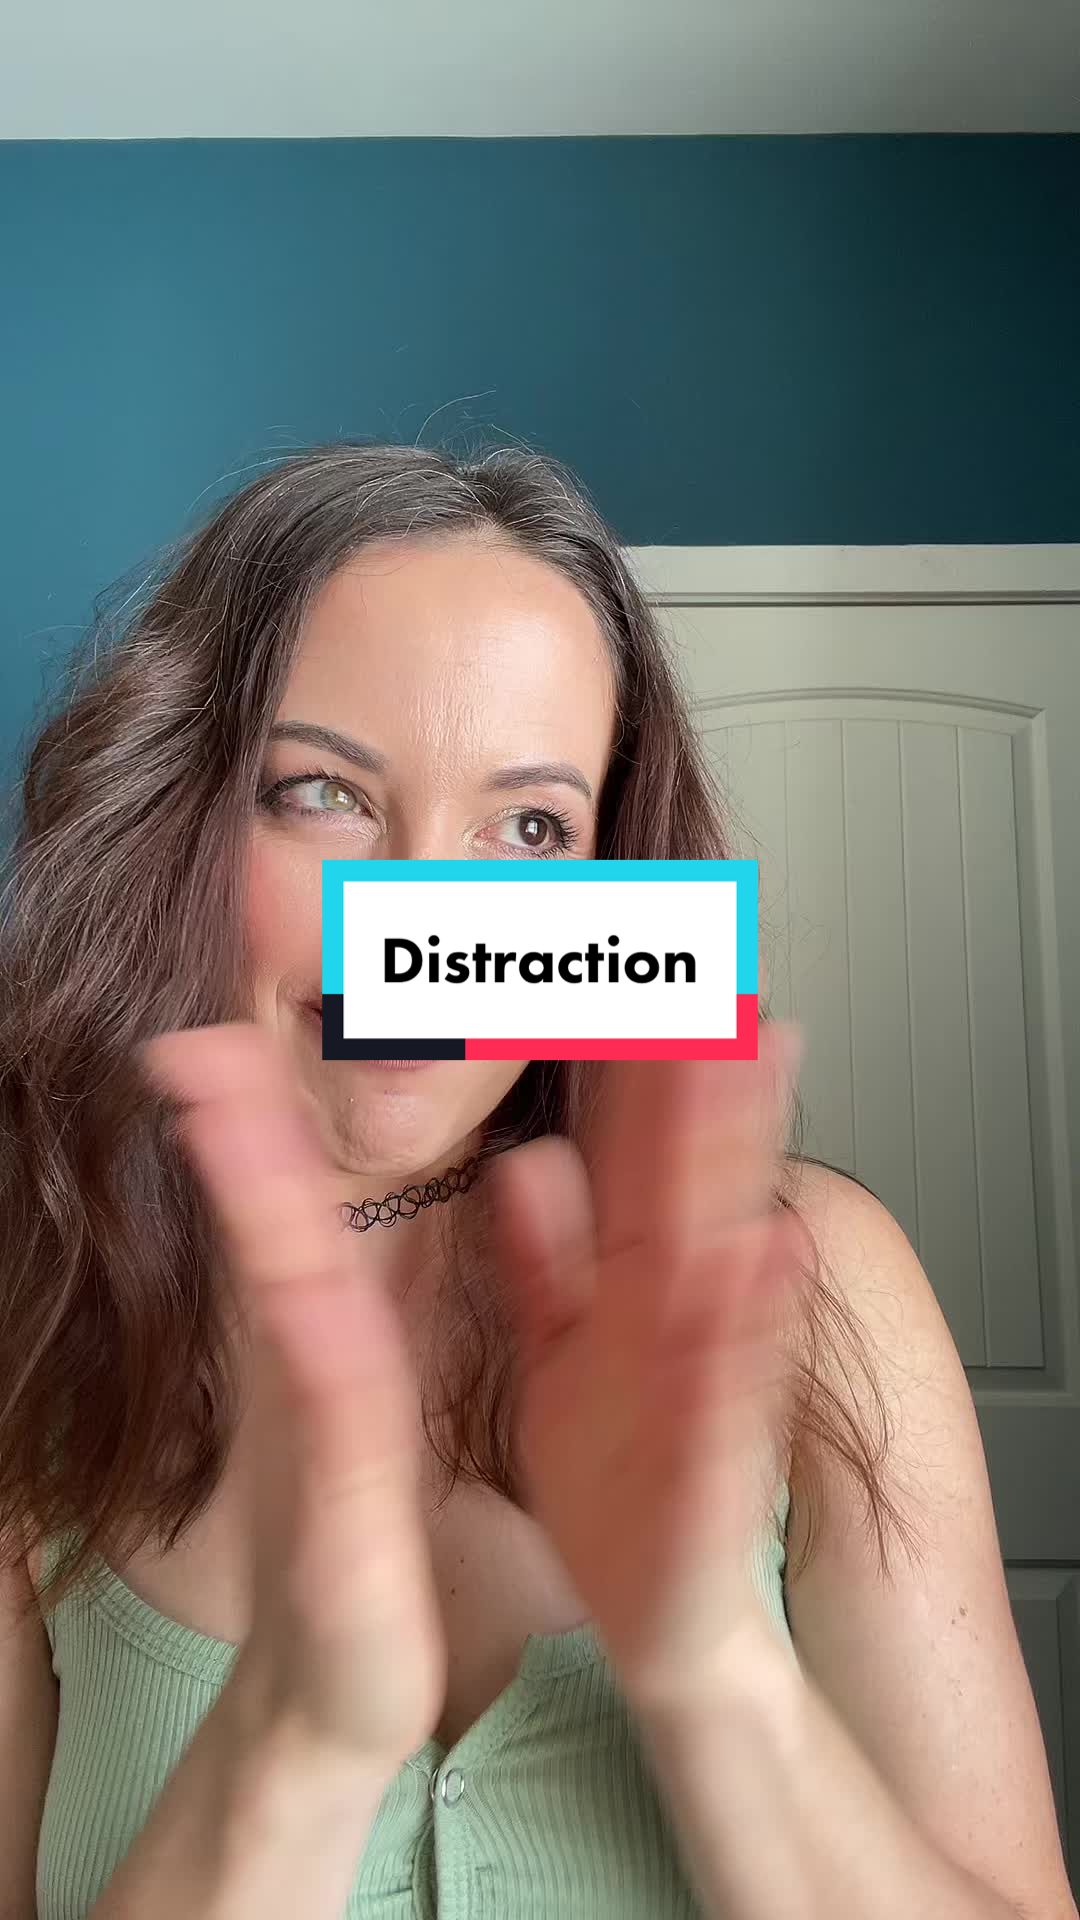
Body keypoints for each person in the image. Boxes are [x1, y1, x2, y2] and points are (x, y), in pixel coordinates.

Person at [0, 442, 1073, 1920]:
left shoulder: (825, 1280)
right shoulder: (29, 1307)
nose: (427, 915)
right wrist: (296, 1739)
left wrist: (713, 1671)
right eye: (321, 793)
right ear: (174, 818)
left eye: (528, 829)